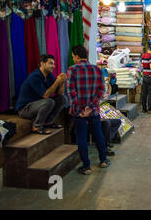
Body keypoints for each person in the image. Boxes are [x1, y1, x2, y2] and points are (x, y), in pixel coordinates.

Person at [67, 45, 110, 175]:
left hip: (78, 111)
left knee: (82, 138)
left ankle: (86, 167)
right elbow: (101, 90)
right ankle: (103, 160)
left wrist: (79, 109)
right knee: (98, 135)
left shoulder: (72, 70)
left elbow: (71, 92)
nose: (73, 58)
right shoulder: (97, 69)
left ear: (76, 56)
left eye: (73, 56)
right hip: (93, 111)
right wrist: (91, 107)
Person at [15, 55, 67, 135]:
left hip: (38, 105)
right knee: (49, 101)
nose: (53, 66)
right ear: (42, 64)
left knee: (62, 99)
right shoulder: (35, 76)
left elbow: (59, 93)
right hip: (25, 109)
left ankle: (48, 122)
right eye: (51, 63)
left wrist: (62, 82)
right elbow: (45, 95)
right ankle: (37, 126)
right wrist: (57, 82)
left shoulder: (49, 76)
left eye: (54, 64)